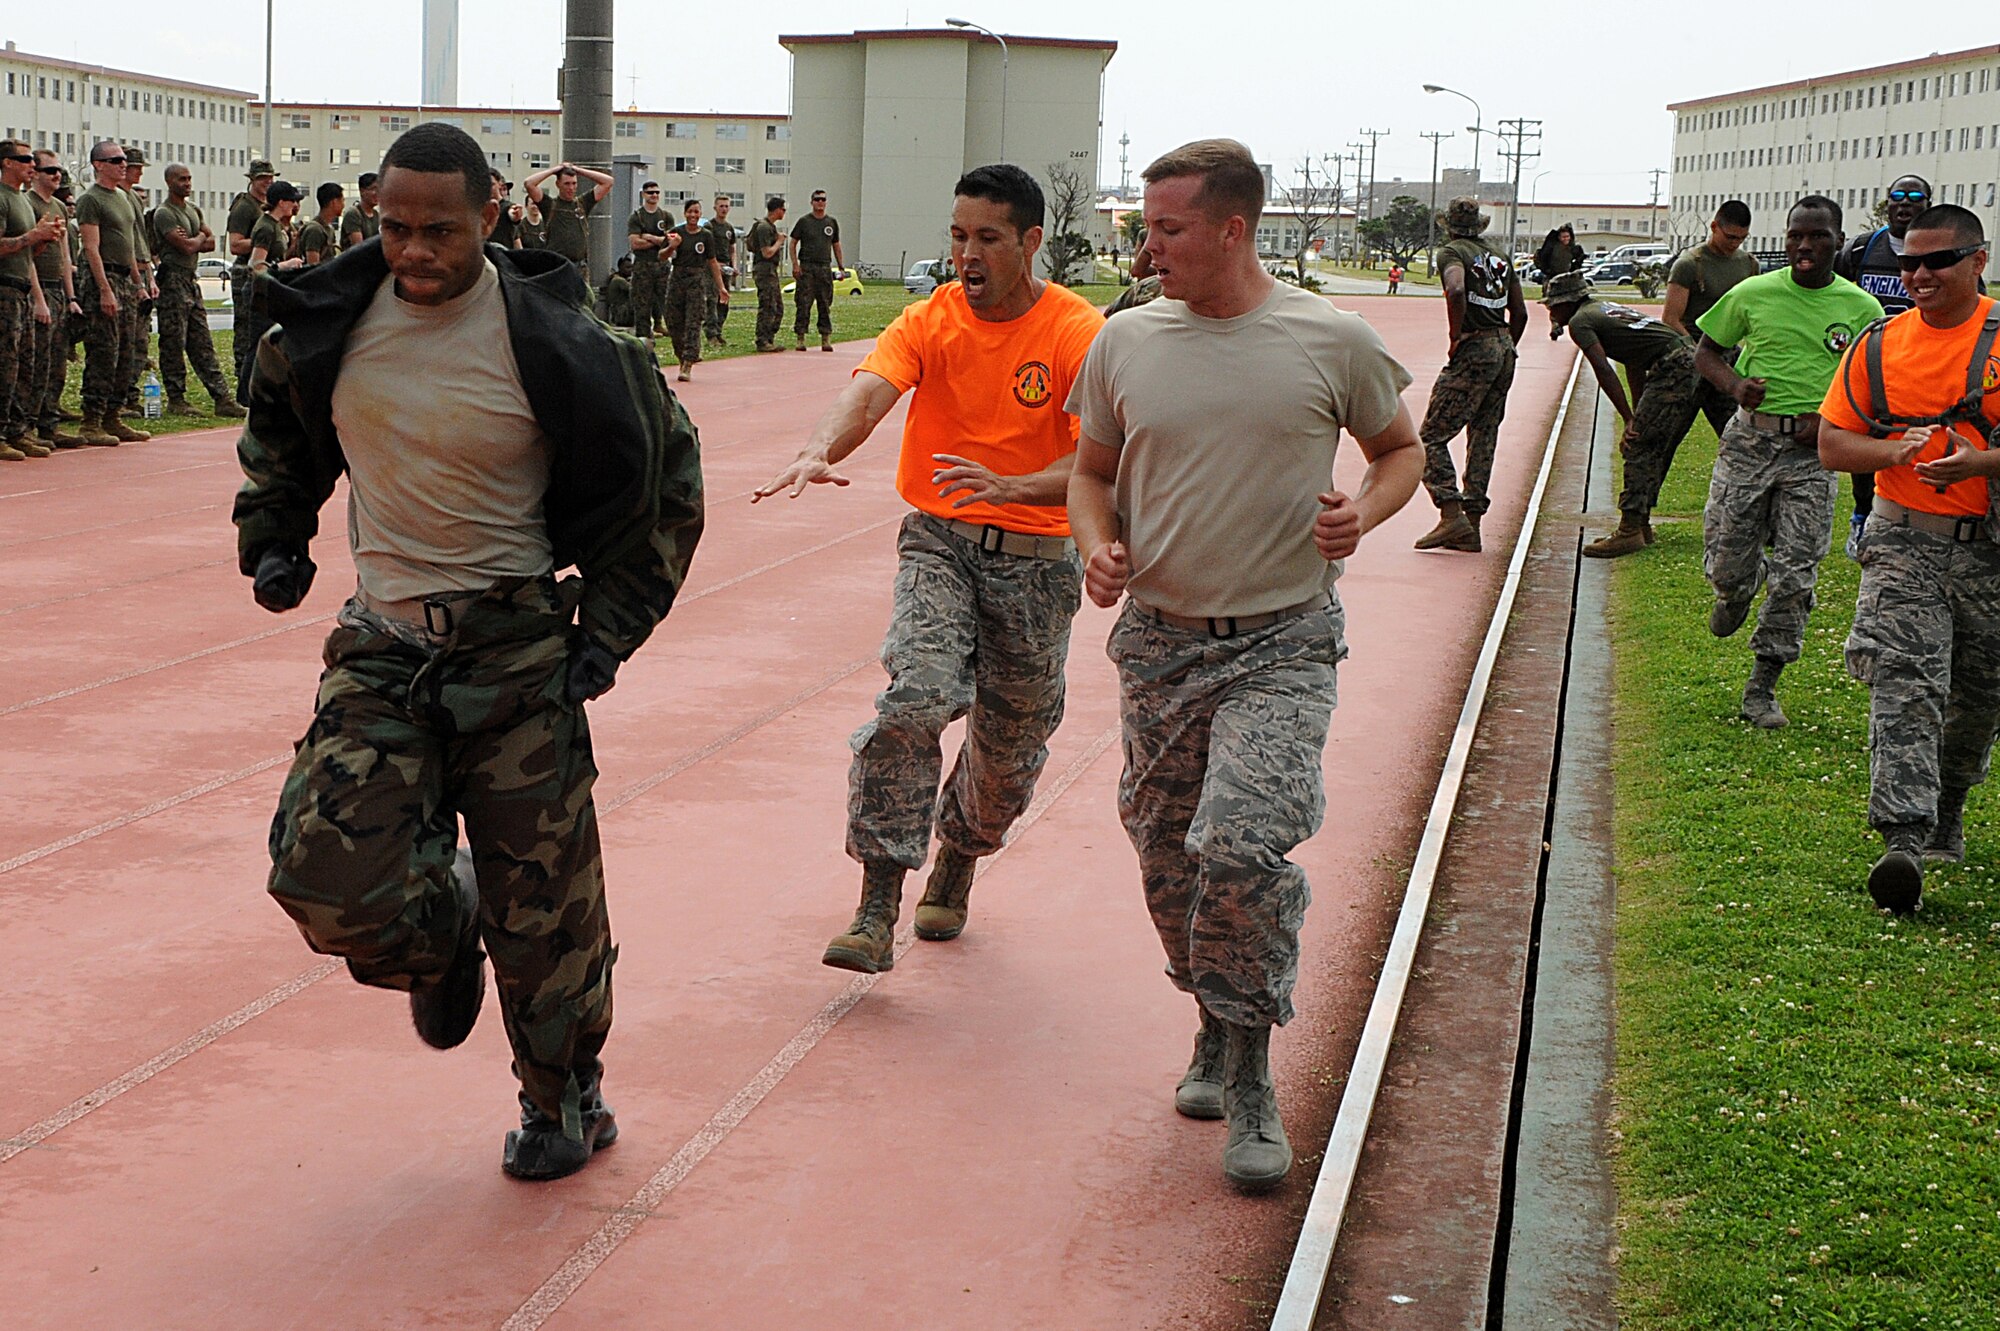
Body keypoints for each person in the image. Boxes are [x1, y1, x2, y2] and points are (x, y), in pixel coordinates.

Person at [234, 121, 704, 1181]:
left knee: (547, 909)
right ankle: (447, 922)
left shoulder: (569, 348)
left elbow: (671, 488)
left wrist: (610, 629)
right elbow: (277, 434)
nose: (413, 251)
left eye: (439, 229)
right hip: (384, 646)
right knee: (320, 878)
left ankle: (562, 1097)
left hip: (517, 648)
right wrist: (273, 536)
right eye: (393, 227)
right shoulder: (321, 322)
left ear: (491, 218)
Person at [1066, 139, 1422, 1194]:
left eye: (1165, 227)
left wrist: (1363, 507)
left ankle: (1254, 1068)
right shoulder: (1124, 341)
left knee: (1238, 842)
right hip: (1161, 644)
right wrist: (1095, 543)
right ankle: (1213, 1018)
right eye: (1144, 224)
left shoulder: (1329, 337)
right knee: (1166, 860)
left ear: (1232, 228)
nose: (1146, 244)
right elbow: (1091, 474)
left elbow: (1397, 450)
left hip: (1281, 641)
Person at [752, 163, 1104, 974]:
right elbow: (870, 393)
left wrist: (1015, 484)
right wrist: (815, 449)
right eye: (957, 236)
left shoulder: (1077, 333)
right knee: (915, 693)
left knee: (1009, 755)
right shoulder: (931, 319)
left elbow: (1099, 457)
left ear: (1030, 242)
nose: (966, 255)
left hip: (1038, 563)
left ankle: (960, 850)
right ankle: (878, 898)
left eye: (986, 238)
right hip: (940, 542)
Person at [1818, 204, 2000, 916]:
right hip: (1903, 541)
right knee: (1905, 683)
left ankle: (1948, 805)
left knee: (1978, 699)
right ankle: (1903, 835)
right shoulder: (1877, 345)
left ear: (1977, 260)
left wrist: (1980, 462)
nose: (1918, 276)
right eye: (1907, 264)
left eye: (1936, 262)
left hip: (1988, 550)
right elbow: (1835, 444)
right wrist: (1889, 452)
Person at [1692, 195, 1881, 729]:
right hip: (1749, 445)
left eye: (1817, 236)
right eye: (1796, 235)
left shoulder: (1862, 311)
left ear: (1838, 241)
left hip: (1812, 458)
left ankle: (1763, 685)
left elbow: (1871, 389)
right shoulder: (1753, 292)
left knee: (1797, 575)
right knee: (1728, 561)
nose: (1804, 245)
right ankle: (1736, 588)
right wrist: (1735, 384)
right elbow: (1705, 352)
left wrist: (1831, 420)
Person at [1544, 269, 1701, 557]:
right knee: (1649, 441)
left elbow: (1604, 370)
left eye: (1553, 304)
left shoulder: (1580, 322)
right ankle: (1640, 524)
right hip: (1686, 358)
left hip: (1674, 365)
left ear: (1567, 302)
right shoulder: (1602, 309)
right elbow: (1634, 358)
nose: (1551, 310)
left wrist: (1630, 418)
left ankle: (1629, 530)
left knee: (1638, 444)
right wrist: (1638, 412)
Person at [1413, 197, 1528, 553]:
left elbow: (1457, 289)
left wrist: (1456, 336)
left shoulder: (1452, 253)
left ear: (1448, 225)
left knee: (1428, 438)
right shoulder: (1500, 257)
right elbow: (1520, 313)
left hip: (1475, 349)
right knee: (1483, 434)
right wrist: (1505, 344)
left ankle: (1450, 513)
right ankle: (1472, 525)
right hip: (1504, 348)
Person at [1834, 174, 1935, 560]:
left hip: (1923, 365)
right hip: (1870, 363)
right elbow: (1834, 294)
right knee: (1866, 444)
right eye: (1897, 196)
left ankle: (1914, 519)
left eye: (1914, 197)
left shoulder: (1938, 251)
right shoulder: (1862, 250)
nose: (1904, 203)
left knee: (1918, 444)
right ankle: (1862, 515)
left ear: (1927, 203)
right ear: (1887, 203)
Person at [149, 163, 247, 418]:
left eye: (189, 179)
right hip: (172, 280)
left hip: (191, 280)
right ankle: (176, 397)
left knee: (202, 342)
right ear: (169, 182)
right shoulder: (165, 213)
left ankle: (222, 397)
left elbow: (209, 241)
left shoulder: (192, 210)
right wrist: (198, 239)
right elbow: (186, 247)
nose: (187, 183)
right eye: (182, 179)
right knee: (173, 341)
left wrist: (199, 238)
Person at [75, 140, 151, 446]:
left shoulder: (123, 197)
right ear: (98, 165)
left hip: (124, 279)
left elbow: (129, 245)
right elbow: (91, 248)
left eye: (123, 160)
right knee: (104, 351)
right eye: (115, 160)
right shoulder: (91, 200)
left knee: (126, 351)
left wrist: (138, 283)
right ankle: (91, 420)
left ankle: (113, 416)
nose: (123, 164)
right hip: (102, 278)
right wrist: (105, 290)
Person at [1664, 200, 1758, 438]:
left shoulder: (1749, 265)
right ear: (1714, 226)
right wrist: (1699, 354)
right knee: (1665, 437)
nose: (1734, 244)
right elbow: (1671, 319)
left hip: (1727, 357)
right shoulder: (1688, 265)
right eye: (1730, 237)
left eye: (1741, 238)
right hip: (1689, 354)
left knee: (1737, 434)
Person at [0, 138, 61, 461]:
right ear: (7, 163)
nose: (32, 167)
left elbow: (26, 251)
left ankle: (17, 430)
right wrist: (32, 236)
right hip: (4, 290)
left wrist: (43, 239)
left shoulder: (22, 200)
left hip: (21, 288)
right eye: (25, 160)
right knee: (5, 365)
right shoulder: (2, 199)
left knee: (25, 363)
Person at [24, 149, 84, 449]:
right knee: (37, 363)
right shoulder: (28, 204)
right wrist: (38, 298)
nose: (56, 175)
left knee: (57, 364)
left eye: (58, 170)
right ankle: (27, 426)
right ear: (34, 173)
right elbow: (28, 259)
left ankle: (49, 424)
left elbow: (64, 256)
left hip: (59, 291)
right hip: (38, 289)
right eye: (50, 170)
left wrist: (71, 296)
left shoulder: (58, 206)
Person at [236, 181, 304, 400]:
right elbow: (255, 265)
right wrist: (282, 266)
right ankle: (245, 395)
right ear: (282, 202)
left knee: (265, 342)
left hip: (269, 289)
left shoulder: (276, 226)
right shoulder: (266, 227)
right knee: (257, 343)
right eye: (292, 201)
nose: (295, 205)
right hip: (258, 290)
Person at [228, 161, 276, 393]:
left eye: (270, 177)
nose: (267, 182)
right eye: (262, 178)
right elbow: (235, 245)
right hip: (244, 272)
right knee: (245, 329)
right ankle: (242, 381)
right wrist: (262, 241)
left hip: (264, 272)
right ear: (252, 180)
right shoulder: (244, 207)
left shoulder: (265, 206)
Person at [662, 197, 722, 382]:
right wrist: (671, 246)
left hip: (696, 280)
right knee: (673, 321)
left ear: (700, 214)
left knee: (693, 322)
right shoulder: (676, 233)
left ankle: (688, 362)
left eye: (696, 212)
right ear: (685, 213)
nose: (693, 215)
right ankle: (681, 355)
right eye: (690, 212)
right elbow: (662, 256)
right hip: (678, 278)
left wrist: (721, 287)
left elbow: (712, 262)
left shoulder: (706, 236)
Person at [521, 162, 611, 278]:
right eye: (567, 184)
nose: (571, 188)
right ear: (558, 184)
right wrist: (555, 170)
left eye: (574, 183)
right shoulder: (549, 205)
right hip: (556, 266)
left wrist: (578, 170)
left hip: (579, 268)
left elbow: (608, 182)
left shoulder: (583, 203)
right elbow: (529, 183)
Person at [789, 189, 844, 351]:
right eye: (817, 199)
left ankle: (825, 338)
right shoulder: (804, 222)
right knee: (803, 303)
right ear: (811, 202)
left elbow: (836, 245)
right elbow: (793, 243)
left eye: (823, 200)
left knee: (825, 303)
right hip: (807, 267)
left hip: (824, 267)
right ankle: (800, 338)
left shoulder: (831, 223)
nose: (820, 202)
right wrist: (795, 264)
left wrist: (841, 265)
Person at [626, 181, 671, 340]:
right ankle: (644, 338)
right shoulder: (637, 217)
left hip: (662, 265)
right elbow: (635, 244)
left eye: (657, 192)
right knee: (642, 304)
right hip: (642, 266)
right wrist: (659, 241)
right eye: (651, 192)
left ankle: (666, 327)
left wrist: (650, 237)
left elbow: (670, 243)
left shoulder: (665, 216)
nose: (654, 195)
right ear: (643, 194)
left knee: (666, 301)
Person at [746, 195, 786, 352]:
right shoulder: (764, 227)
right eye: (783, 209)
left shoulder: (769, 227)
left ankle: (769, 338)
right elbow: (767, 252)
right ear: (776, 210)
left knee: (777, 306)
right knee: (768, 304)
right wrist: (779, 242)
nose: (784, 212)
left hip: (770, 269)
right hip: (765, 269)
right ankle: (762, 339)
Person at [704, 193, 737, 346]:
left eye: (726, 206)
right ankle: (711, 334)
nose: (723, 209)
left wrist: (734, 265)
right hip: (712, 267)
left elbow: (732, 248)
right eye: (721, 206)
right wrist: (715, 264)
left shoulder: (729, 228)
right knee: (711, 300)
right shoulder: (709, 226)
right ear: (715, 208)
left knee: (724, 301)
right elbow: (705, 248)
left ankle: (719, 331)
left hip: (726, 267)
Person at [299, 183, 345, 267]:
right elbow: (312, 267)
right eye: (342, 200)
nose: (343, 205)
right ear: (334, 202)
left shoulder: (329, 229)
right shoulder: (314, 230)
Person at [341, 172, 380, 250]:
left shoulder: (377, 215)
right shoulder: (353, 214)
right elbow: (359, 247)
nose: (377, 193)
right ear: (362, 191)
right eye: (373, 189)